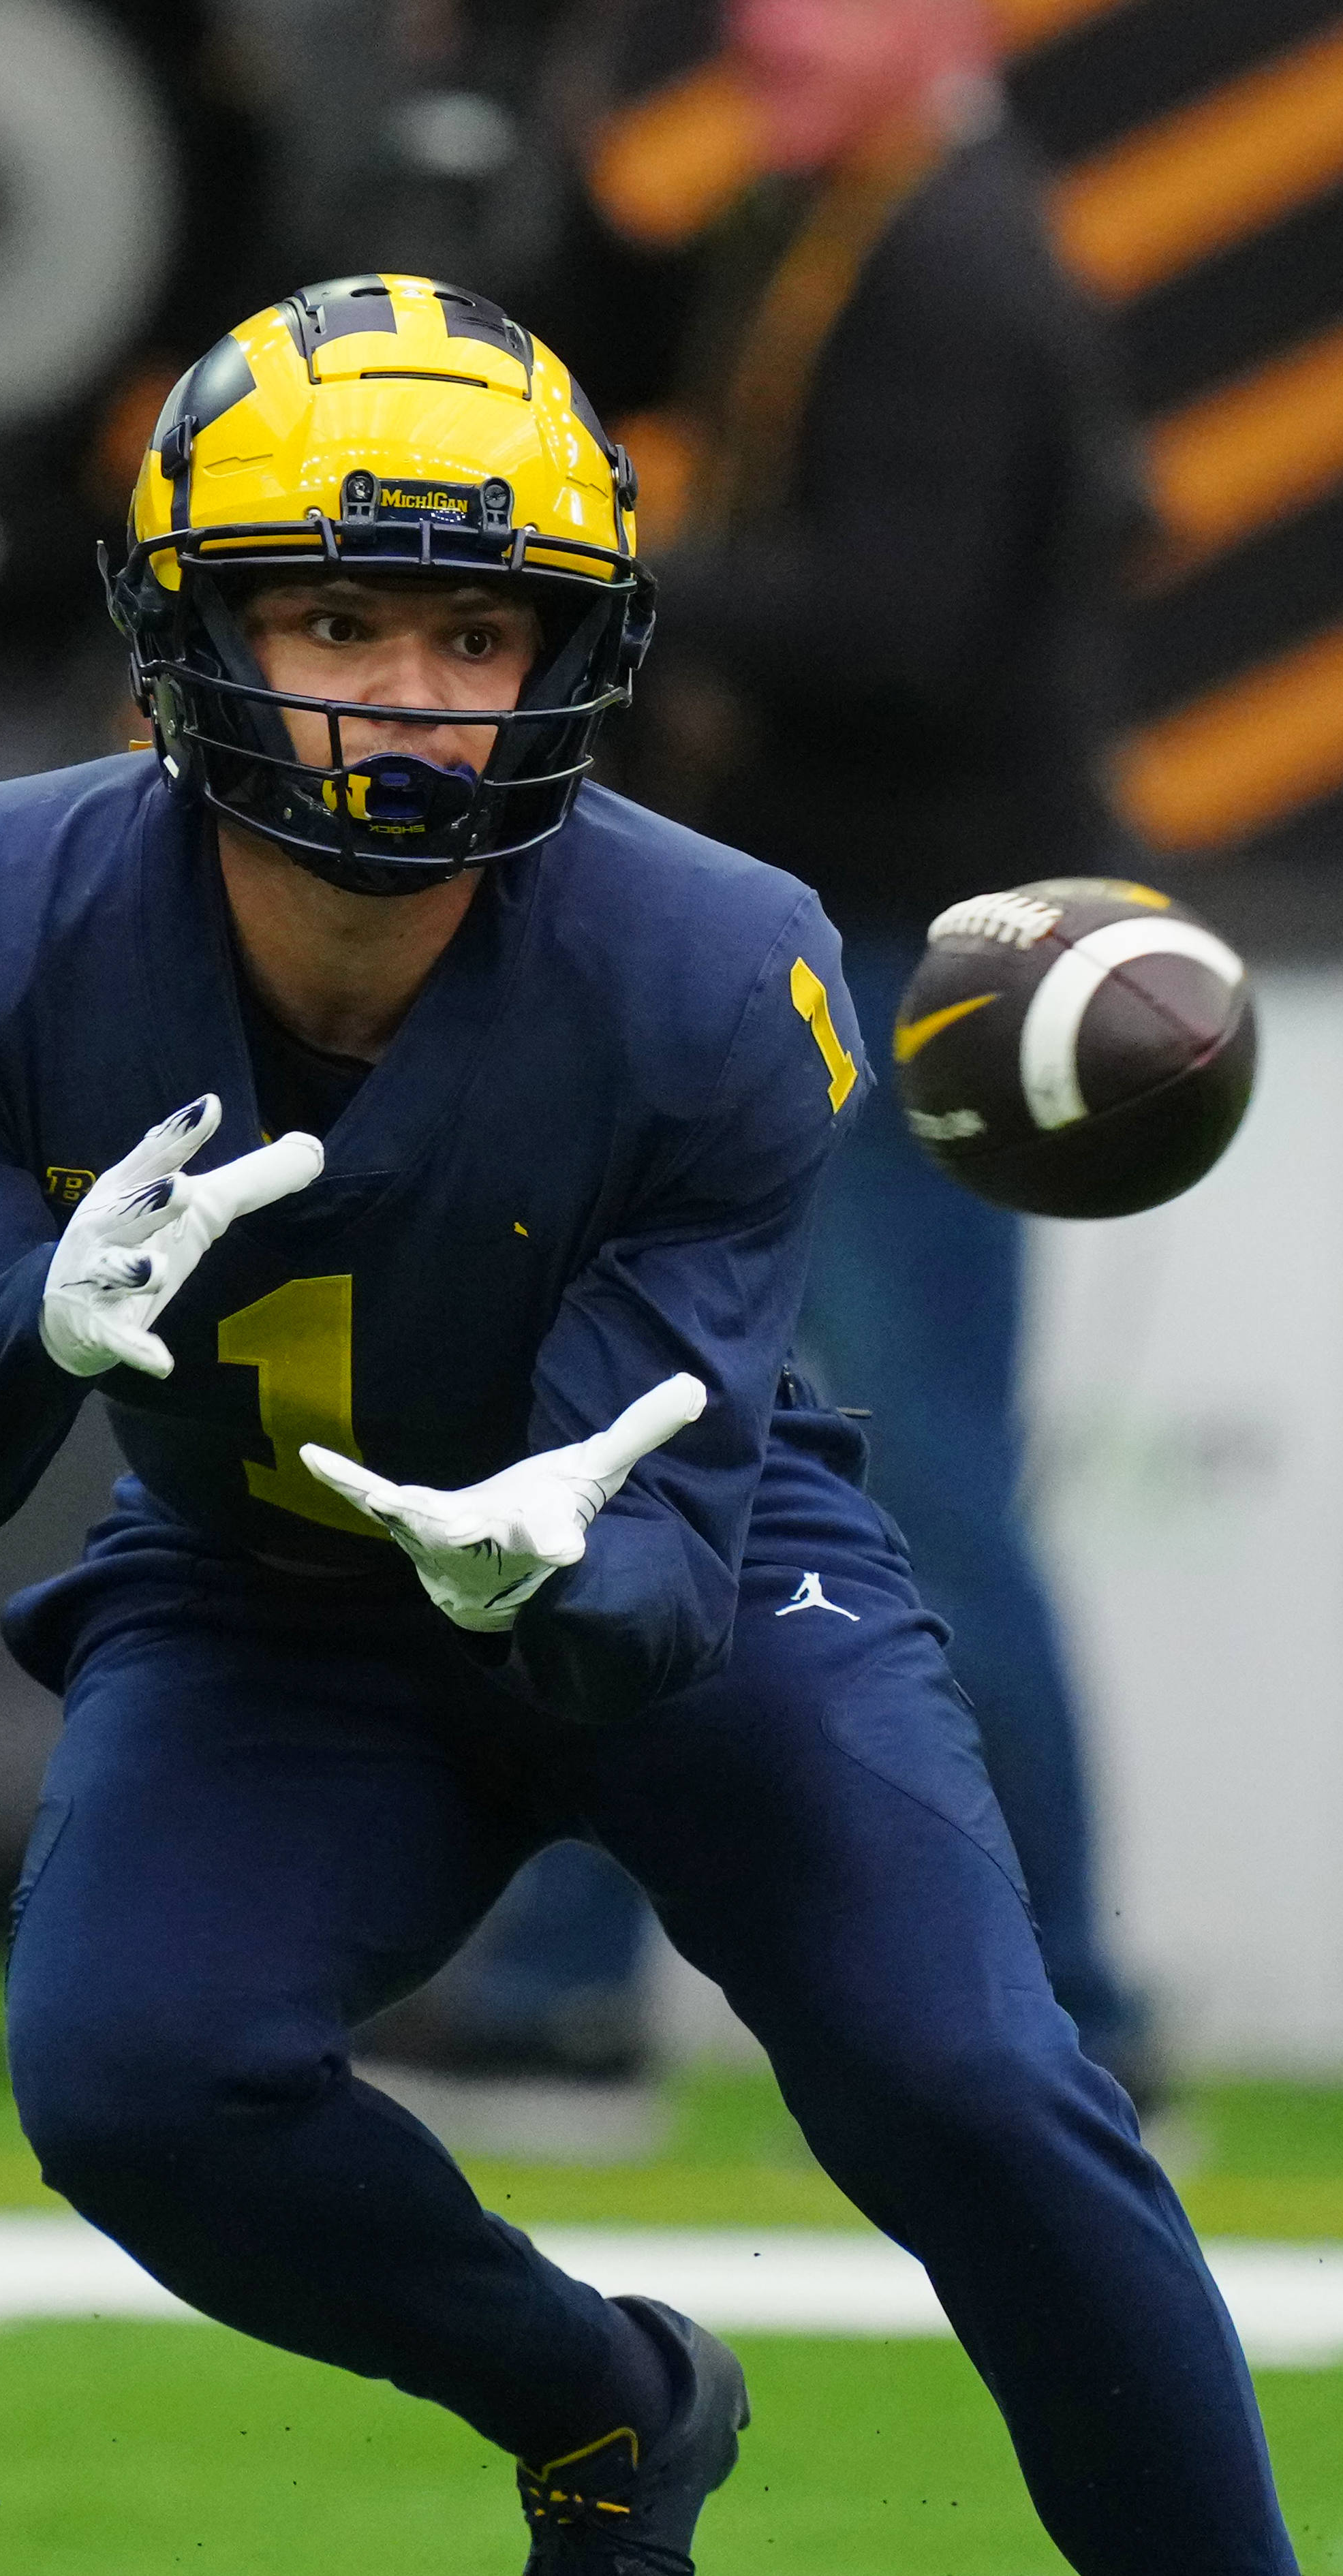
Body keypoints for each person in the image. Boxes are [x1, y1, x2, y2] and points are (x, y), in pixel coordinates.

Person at [0, 273, 1343, 2576]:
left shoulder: (704, 955)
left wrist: (554, 1568)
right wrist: (32, 1336)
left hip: (685, 1547)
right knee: (124, 2074)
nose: (410, 700)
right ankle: (598, 2411)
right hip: (260, 1588)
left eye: (474, 634)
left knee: (970, 2083)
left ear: (567, 664)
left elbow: (648, 1591)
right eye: (339, 617)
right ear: (188, 635)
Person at [377, 0, 1157, 2095]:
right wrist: (504, 147)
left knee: (888, 1474)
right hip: (823, 945)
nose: (765, 25)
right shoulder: (820, 215)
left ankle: (1073, 2000)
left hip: (912, 957)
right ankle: (561, 1981)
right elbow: (594, 322)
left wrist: (598, 567)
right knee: (675, 1436)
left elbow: (897, 629)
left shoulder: (957, 266)